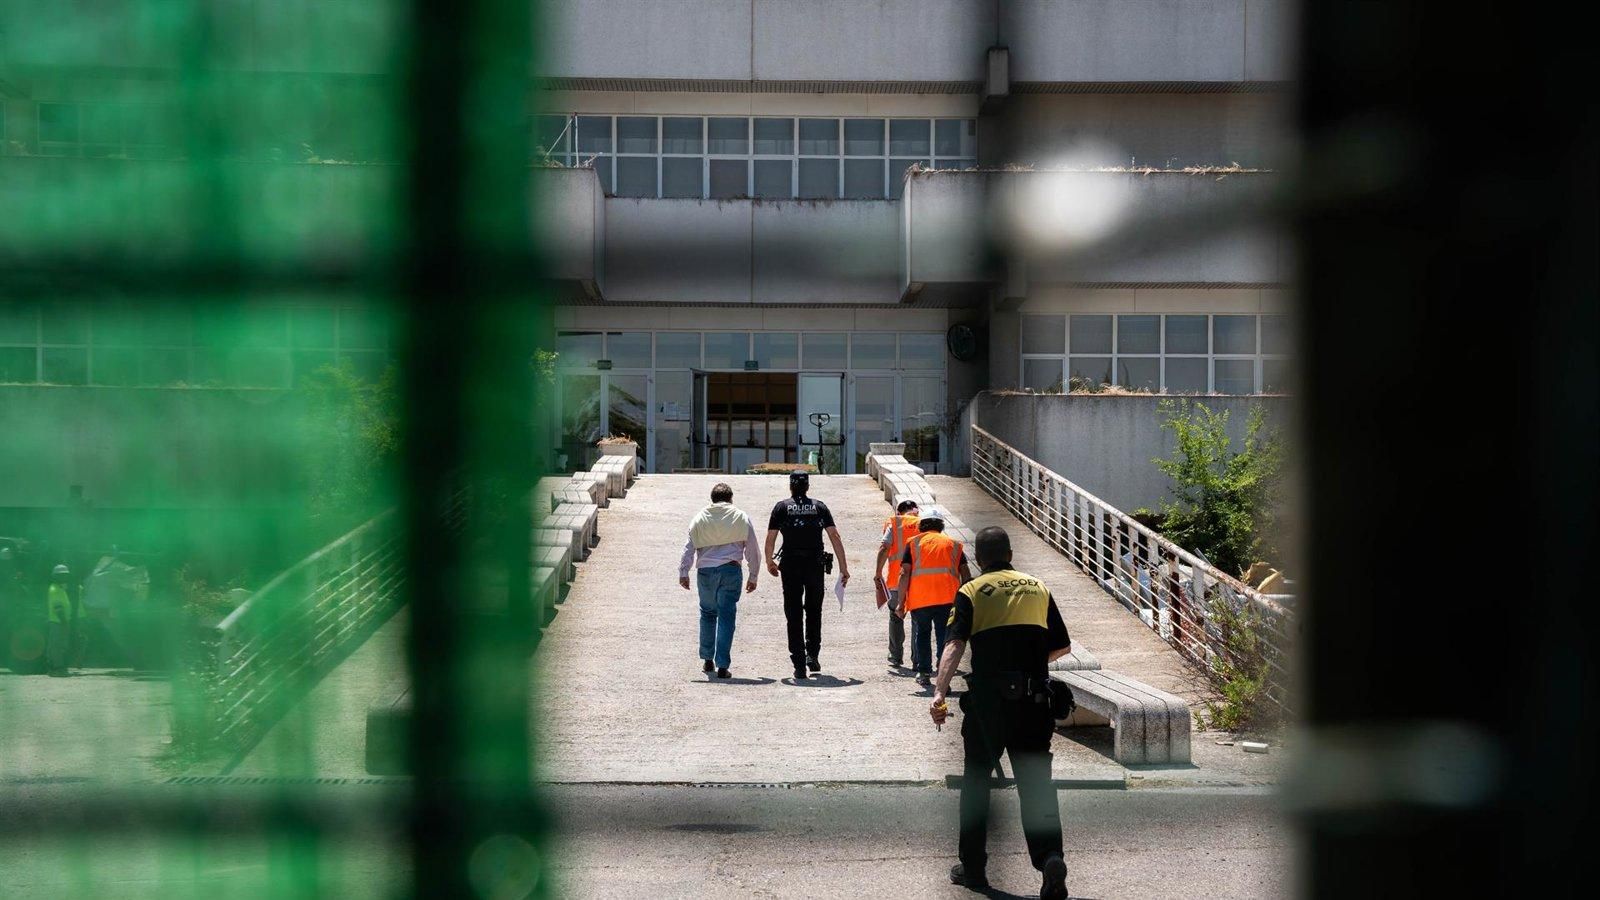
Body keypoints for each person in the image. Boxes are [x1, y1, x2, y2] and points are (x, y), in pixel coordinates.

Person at [929, 526, 1071, 899]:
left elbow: (955, 644)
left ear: (978, 558)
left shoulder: (971, 591)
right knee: (1037, 786)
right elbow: (1062, 646)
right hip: (1034, 703)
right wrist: (1029, 666)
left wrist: (939, 693)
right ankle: (1050, 858)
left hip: (989, 707)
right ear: (1010, 554)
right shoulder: (1038, 588)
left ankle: (974, 869)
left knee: (976, 785)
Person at [764, 471, 850, 681]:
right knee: (814, 610)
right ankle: (812, 655)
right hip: (814, 565)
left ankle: (799, 664)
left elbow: (771, 537)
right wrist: (843, 568)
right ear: (808, 487)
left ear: (791, 487)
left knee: (793, 613)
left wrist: (769, 562)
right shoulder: (819, 506)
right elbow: (834, 536)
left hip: (791, 565)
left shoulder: (782, 507)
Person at [679, 482, 760, 678]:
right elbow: (752, 548)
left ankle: (708, 660)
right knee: (726, 616)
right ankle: (722, 665)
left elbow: (689, 546)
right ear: (731, 499)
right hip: (730, 571)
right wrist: (753, 575)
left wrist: (684, 571)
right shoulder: (740, 517)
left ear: (712, 499)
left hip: (705, 572)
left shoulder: (700, 518)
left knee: (707, 613)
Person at [894, 515, 973, 687]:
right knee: (944, 637)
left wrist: (901, 603)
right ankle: (943, 673)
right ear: (941, 527)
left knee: (922, 635)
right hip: (948, 599)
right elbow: (966, 574)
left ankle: (923, 672)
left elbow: (904, 573)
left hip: (920, 599)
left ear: (921, 527)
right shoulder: (954, 545)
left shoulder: (913, 543)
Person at [874, 499, 920, 668]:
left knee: (895, 617)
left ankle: (895, 656)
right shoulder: (924, 523)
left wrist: (878, 573)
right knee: (918, 620)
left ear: (898, 512)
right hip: (919, 580)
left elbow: (884, 547)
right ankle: (919, 660)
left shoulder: (895, 523)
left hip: (896, 580)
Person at [46, 564, 76, 677]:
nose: (65, 577)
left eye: (65, 575)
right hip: (58, 622)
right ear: (55, 576)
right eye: (61, 575)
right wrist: (64, 622)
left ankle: (55, 668)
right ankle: (57, 669)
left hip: (59, 621)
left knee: (57, 645)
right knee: (57, 646)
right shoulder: (55, 589)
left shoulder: (59, 588)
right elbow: (58, 608)